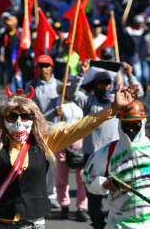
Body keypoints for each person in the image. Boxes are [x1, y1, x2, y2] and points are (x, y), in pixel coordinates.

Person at [0, 67, 139, 228]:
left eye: (25, 116)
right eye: (12, 115)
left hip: (32, 223)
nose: (19, 121)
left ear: (34, 119)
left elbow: (81, 127)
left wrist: (112, 108)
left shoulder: (46, 142)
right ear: (3, 119)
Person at [83, 101, 150, 229]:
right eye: (127, 124)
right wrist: (104, 184)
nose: (131, 129)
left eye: (135, 124)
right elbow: (88, 178)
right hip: (119, 224)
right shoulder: (108, 151)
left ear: (143, 122)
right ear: (120, 123)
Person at [67, 59, 143, 228]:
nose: (105, 86)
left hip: (115, 155)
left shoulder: (119, 102)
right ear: (96, 84)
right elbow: (72, 93)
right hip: (92, 155)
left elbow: (140, 93)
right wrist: (81, 73)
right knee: (94, 194)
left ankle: (114, 222)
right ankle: (98, 223)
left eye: (108, 82)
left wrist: (130, 75)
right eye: (101, 82)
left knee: (118, 192)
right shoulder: (89, 101)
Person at [24, 55, 62, 208]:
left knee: (53, 163)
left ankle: (51, 194)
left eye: (46, 65)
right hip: (36, 130)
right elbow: (26, 108)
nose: (43, 69)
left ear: (52, 68)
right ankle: (35, 193)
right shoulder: (30, 85)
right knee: (35, 164)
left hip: (54, 131)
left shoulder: (60, 85)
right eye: (40, 66)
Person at [54, 77, 90, 222]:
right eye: (66, 87)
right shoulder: (57, 102)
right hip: (62, 142)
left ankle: (82, 208)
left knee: (82, 178)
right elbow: (46, 119)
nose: (69, 90)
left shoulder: (83, 103)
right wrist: (56, 114)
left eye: (71, 87)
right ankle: (64, 206)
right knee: (61, 178)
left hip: (80, 142)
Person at [0, 16, 20, 92]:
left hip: (18, 60)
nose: (8, 26)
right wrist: (1, 54)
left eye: (10, 25)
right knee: (9, 76)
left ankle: (20, 92)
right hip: (7, 58)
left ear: (15, 25)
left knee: (18, 77)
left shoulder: (19, 34)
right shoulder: (4, 34)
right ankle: (11, 93)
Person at [120, 15, 145, 82]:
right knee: (125, 71)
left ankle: (137, 86)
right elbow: (122, 33)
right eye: (140, 22)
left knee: (138, 73)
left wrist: (137, 55)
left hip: (136, 56)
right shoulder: (129, 30)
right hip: (127, 54)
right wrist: (122, 23)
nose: (142, 24)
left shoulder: (142, 31)